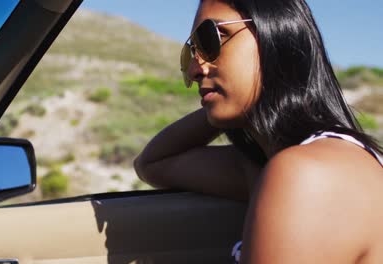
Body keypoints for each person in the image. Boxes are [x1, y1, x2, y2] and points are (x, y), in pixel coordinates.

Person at [133, 0, 383, 263]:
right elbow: (154, 163)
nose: (196, 69)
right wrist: (227, 101)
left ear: (276, 35)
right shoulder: (272, 165)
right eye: (191, 52)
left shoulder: (307, 172)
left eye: (212, 38)